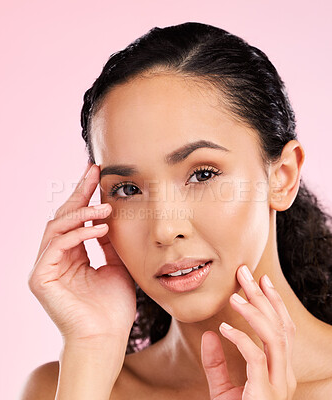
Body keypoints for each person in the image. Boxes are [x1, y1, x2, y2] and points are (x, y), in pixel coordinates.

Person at [22, 22, 332, 399]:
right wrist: (90, 347)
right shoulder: (66, 385)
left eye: (202, 175)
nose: (164, 230)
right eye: (128, 189)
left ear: (282, 177)